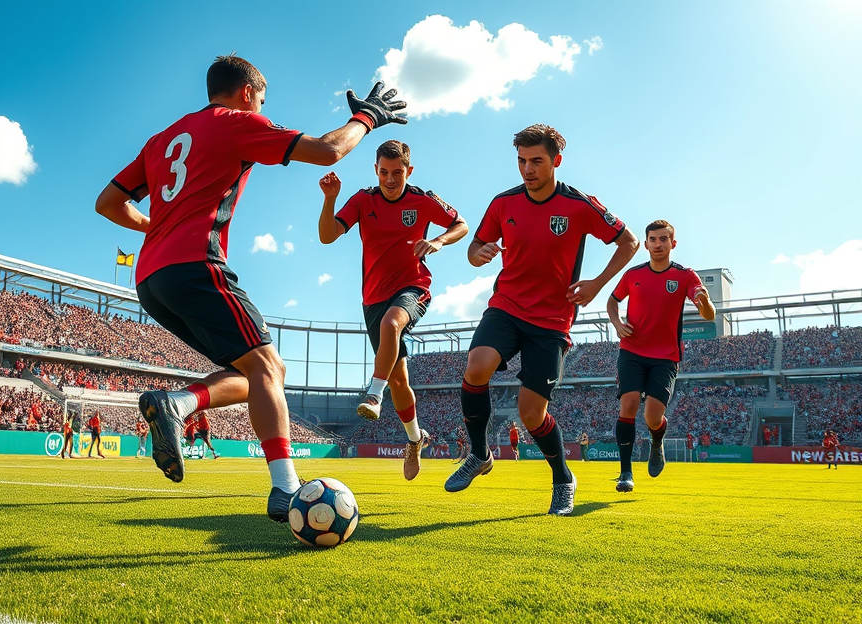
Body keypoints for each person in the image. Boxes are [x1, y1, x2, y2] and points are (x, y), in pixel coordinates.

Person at [95, 55, 407, 522]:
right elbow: (325, 150)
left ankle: (179, 403)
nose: (262, 107)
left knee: (262, 374)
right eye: (261, 100)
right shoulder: (236, 122)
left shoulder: (161, 139)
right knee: (268, 366)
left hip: (151, 279)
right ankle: (285, 489)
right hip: (196, 264)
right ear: (247, 93)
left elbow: (108, 202)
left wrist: (156, 228)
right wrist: (368, 118)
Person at [445, 124, 639, 516]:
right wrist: (477, 254)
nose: (527, 169)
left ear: (556, 162)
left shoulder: (580, 204)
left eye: (536, 161)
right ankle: (480, 454)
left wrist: (598, 283)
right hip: (507, 305)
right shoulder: (503, 203)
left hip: (552, 320)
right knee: (477, 366)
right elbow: (475, 245)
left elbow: (629, 241)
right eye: (521, 161)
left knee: (531, 413)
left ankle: (563, 479)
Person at [318, 140, 468, 480]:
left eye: (397, 173)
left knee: (392, 322)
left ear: (409, 171)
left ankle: (372, 395)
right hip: (372, 298)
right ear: (376, 170)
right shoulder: (361, 200)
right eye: (384, 172)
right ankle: (415, 439)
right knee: (400, 381)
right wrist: (329, 200)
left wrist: (438, 241)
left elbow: (461, 224)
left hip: (414, 288)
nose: (390, 179)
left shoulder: (423, 200)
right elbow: (328, 236)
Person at [607, 220, 715, 493]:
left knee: (652, 417)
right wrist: (617, 323)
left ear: (672, 244)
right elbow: (612, 300)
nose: (658, 244)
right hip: (631, 350)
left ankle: (657, 440)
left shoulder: (685, 276)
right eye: (653, 239)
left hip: (665, 357)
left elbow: (709, 315)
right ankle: (625, 472)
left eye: (663, 239)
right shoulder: (633, 275)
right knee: (628, 404)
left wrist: (704, 300)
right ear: (645, 244)